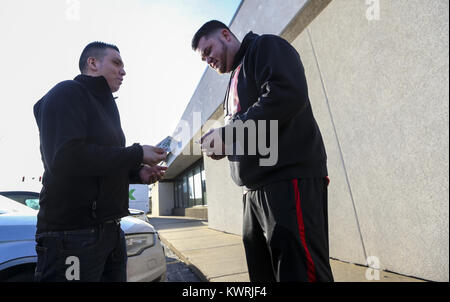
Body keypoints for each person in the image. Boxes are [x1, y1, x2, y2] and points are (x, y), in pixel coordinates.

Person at [192, 21, 334, 282]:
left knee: (301, 274)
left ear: (225, 35)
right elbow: (250, 125)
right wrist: (225, 145)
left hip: (287, 182)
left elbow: (286, 95)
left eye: (208, 49)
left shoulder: (265, 47)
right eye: (203, 58)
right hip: (252, 194)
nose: (208, 60)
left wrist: (228, 133)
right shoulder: (232, 82)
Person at [33, 41, 167, 282]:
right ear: (92, 63)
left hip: (111, 233)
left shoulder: (107, 108)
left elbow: (99, 165)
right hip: (71, 237)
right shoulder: (66, 93)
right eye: (116, 63)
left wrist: (138, 173)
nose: (123, 71)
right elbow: (66, 159)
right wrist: (137, 153)